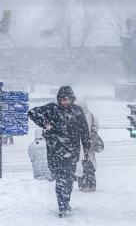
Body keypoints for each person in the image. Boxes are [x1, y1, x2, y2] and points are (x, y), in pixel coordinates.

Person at [28, 86, 91, 218]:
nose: (65, 101)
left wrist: (86, 147)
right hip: (55, 150)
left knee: (68, 179)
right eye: (63, 99)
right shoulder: (52, 109)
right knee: (62, 178)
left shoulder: (77, 111)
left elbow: (84, 131)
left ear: (72, 99)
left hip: (72, 151)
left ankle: (65, 202)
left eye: (68, 99)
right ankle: (62, 206)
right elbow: (32, 113)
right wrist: (45, 123)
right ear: (59, 99)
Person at [77, 99, 99, 192]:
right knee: (90, 164)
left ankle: (84, 184)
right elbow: (96, 127)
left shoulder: (77, 116)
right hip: (91, 143)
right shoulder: (91, 115)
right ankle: (92, 184)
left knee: (81, 164)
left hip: (80, 143)